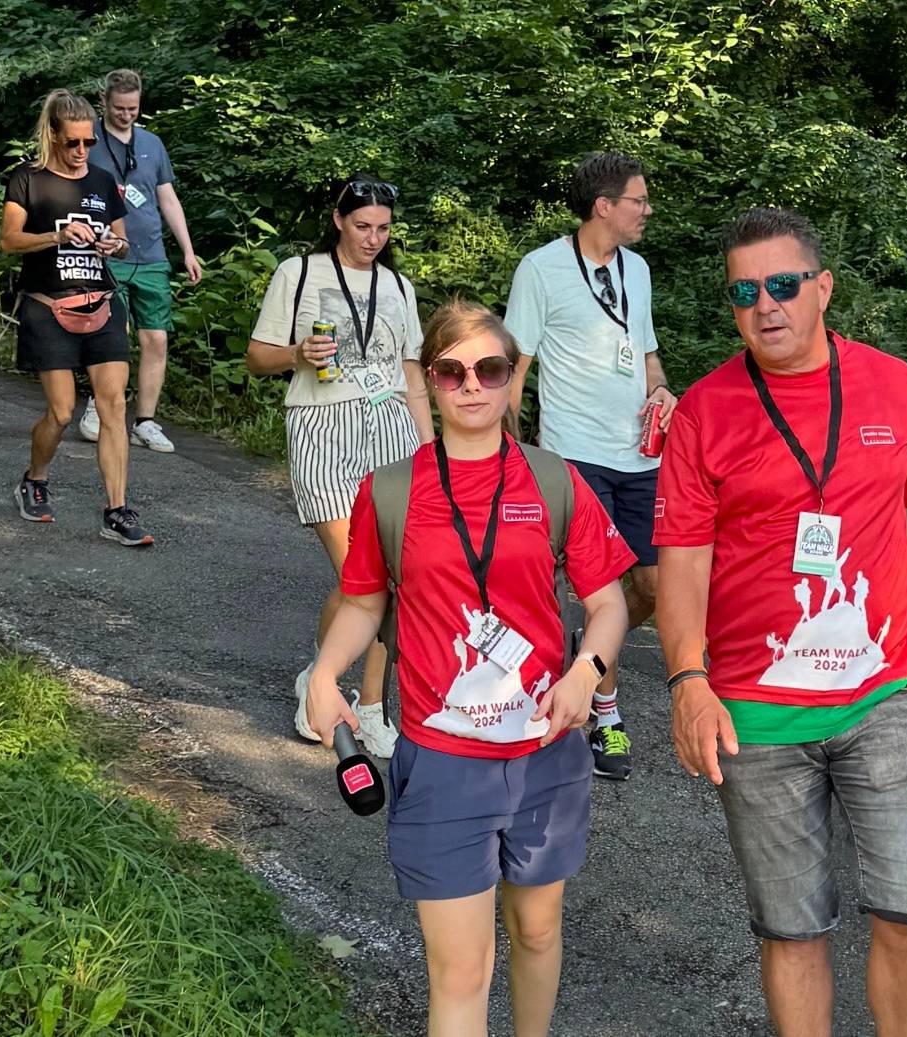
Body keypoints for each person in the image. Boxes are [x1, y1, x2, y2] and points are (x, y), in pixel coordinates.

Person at [655, 207, 907, 1037]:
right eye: (745, 290)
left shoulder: (891, 383)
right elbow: (683, 557)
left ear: (822, 287)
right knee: (793, 928)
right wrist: (687, 681)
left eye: (785, 285)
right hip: (756, 713)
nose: (767, 305)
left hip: (886, 690)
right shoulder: (704, 410)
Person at [309, 299, 632, 1037]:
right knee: (461, 970)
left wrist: (587, 670)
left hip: (547, 751)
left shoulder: (556, 481)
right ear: (427, 380)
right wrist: (328, 673)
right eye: (452, 372)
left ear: (515, 376)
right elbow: (362, 602)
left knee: (539, 933)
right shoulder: (390, 490)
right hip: (446, 758)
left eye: (490, 368)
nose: (472, 385)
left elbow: (608, 602)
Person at [246, 177, 433, 759]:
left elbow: (413, 377)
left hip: (392, 431)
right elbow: (256, 358)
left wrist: (432, 458)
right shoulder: (298, 274)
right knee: (365, 577)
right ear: (337, 220)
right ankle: (325, 682)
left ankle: (371, 705)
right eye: (362, 226)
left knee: (398, 580)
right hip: (322, 428)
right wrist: (298, 354)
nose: (373, 238)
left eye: (383, 227)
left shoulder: (399, 286)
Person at [504, 151, 674, 781]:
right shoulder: (543, 269)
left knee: (653, 587)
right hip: (572, 453)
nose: (646, 210)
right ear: (605, 206)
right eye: (639, 200)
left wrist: (659, 390)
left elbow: (648, 351)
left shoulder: (639, 269)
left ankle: (587, 654)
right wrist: (509, 453)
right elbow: (514, 369)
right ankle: (606, 709)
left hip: (639, 455)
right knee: (595, 588)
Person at [0, 89, 151, 548]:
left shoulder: (103, 182)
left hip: (101, 302)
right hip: (48, 305)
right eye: (73, 143)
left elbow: (122, 241)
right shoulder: (28, 179)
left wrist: (114, 246)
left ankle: (117, 510)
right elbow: (9, 240)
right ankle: (35, 478)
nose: (82, 151)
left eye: (89, 143)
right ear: (53, 136)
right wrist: (56, 234)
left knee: (114, 407)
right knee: (62, 412)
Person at [79, 67, 203, 454]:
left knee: (156, 338)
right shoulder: (87, 140)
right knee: (113, 334)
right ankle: (99, 406)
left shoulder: (153, 144)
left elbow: (167, 198)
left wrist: (186, 249)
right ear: (104, 102)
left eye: (133, 108)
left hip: (150, 254)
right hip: (107, 250)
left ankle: (145, 421)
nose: (126, 115)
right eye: (119, 108)